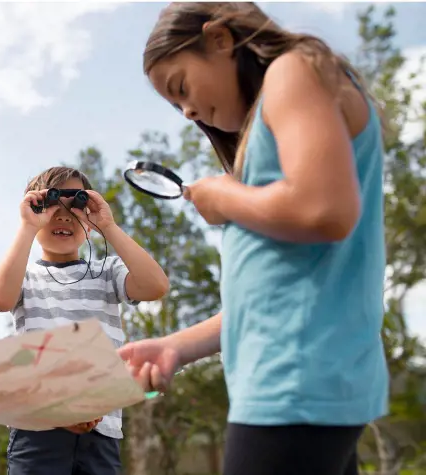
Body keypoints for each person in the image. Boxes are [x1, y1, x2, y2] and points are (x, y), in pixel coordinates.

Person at [119, 3, 388, 475]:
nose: (186, 111)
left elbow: (324, 209)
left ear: (220, 40)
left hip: (293, 380)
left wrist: (225, 197)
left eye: (180, 86)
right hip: (306, 381)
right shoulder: (280, 107)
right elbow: (272, 294)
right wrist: (176, 347)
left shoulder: (293, 69)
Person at [0, 166, 170, 475]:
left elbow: (156, 286)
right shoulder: (26, 276)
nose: (63, 216)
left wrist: (107, 225)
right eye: (51, 207)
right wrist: (27, 227)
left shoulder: (107, 272)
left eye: (75, 207)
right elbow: (0, 298)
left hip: (100, 431)